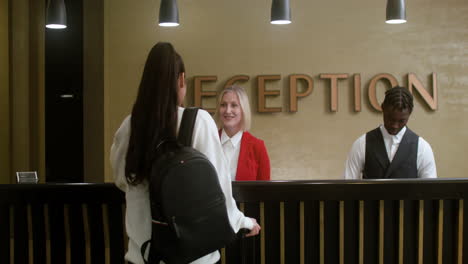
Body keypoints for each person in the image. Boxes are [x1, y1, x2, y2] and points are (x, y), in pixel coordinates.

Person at [110, 42, 261, 264]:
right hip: (194, 258)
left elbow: (122, 180)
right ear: (181, 80)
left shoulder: (130, 126)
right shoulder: (198, 121)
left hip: (142, 255)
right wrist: (242, 221)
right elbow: (219, 187)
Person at [343, 86, 437, 179]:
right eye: (390, 119)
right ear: (383, 108)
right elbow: (347, 186)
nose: (395, 125)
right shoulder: (361, 144)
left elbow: (430, 191)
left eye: (401, 121)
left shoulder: (422, 147)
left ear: (410, 113)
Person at [215, 85, 271, 181]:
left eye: (234, 105)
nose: (228, 110)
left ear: (243, 110)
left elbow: (264, 192)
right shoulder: (209, 141)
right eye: (223, 105)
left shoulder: (258, 147)